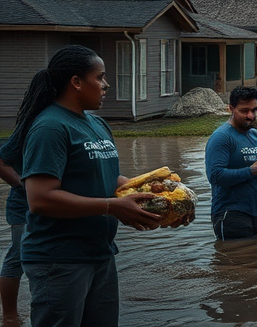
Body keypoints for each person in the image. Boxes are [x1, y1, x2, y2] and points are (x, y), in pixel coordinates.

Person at [12, 45, 167, 327]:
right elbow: (40, 199)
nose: (106, 85)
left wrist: (163, 199)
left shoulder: (96, 124)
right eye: (101, 77)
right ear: (76, 82)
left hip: (100, 254)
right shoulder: (50, 127)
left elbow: (111, 181)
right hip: (60, 260)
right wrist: (112, 207)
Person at [206, 86, 257, 241]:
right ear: (231, 109)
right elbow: (215, 176)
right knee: (234, 262)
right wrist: (251, 171)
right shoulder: (221, 137)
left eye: (254, 110)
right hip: (231, 214)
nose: (250, 115)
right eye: (244, 111)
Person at [0, 155, 26, 325]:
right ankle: (9, 316)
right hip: (24, 207)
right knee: (17, 256)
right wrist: (20, 183)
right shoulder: (30, 128)